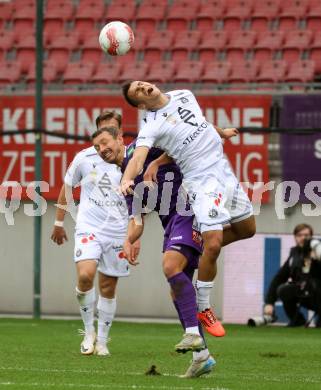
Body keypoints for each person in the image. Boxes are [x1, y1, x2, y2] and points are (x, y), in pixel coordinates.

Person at [120, 81, 256, 327]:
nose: (143, 87)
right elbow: (138, 156)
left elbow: (200, 126)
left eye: (142, 83)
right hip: (199, 181)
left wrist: (221, 132)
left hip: (223, 172)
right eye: (138, 91)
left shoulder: (184, 94)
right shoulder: (150, 125)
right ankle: (204, 306)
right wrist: (127, 177)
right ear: (141, 105)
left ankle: (195, 243)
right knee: (214, 244)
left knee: (247, 229)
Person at [92, 122, 217, 378]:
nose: (102, 149)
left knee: (170, 266)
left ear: (119, 139)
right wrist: (129, 241)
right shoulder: (125, 181)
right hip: (170, 223)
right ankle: (201, 356)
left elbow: (181, 144)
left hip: (188, 207)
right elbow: (136, 220)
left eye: (105, 142)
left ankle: (193, 332)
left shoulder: (142, 147)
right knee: (176, 290)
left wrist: (156, 162)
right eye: (96, 147)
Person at [51, 111, 140, 356]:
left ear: (120, 134)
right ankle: (88, 331)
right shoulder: (84, 158)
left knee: (108, 287)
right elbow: (67, 188)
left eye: (111, 131)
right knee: (86, 275)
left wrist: (133, 237)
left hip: (119, 232)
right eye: (100, 134)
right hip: (89, 227)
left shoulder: (134, 159)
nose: (104, 141)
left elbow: (139, 203)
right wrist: (59, 223)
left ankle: (102, 341)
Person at [264, 223, 321, 328]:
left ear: (311, 237)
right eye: (299, 235)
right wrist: (269, 302)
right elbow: (279, 278)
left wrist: (317, 260)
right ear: (295, 237)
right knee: (283, 289)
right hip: (304, 293)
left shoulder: (318, 249)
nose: (303, 238)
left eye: (306, 235)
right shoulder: (294, 255)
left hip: (319, 293)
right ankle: (298, 320)